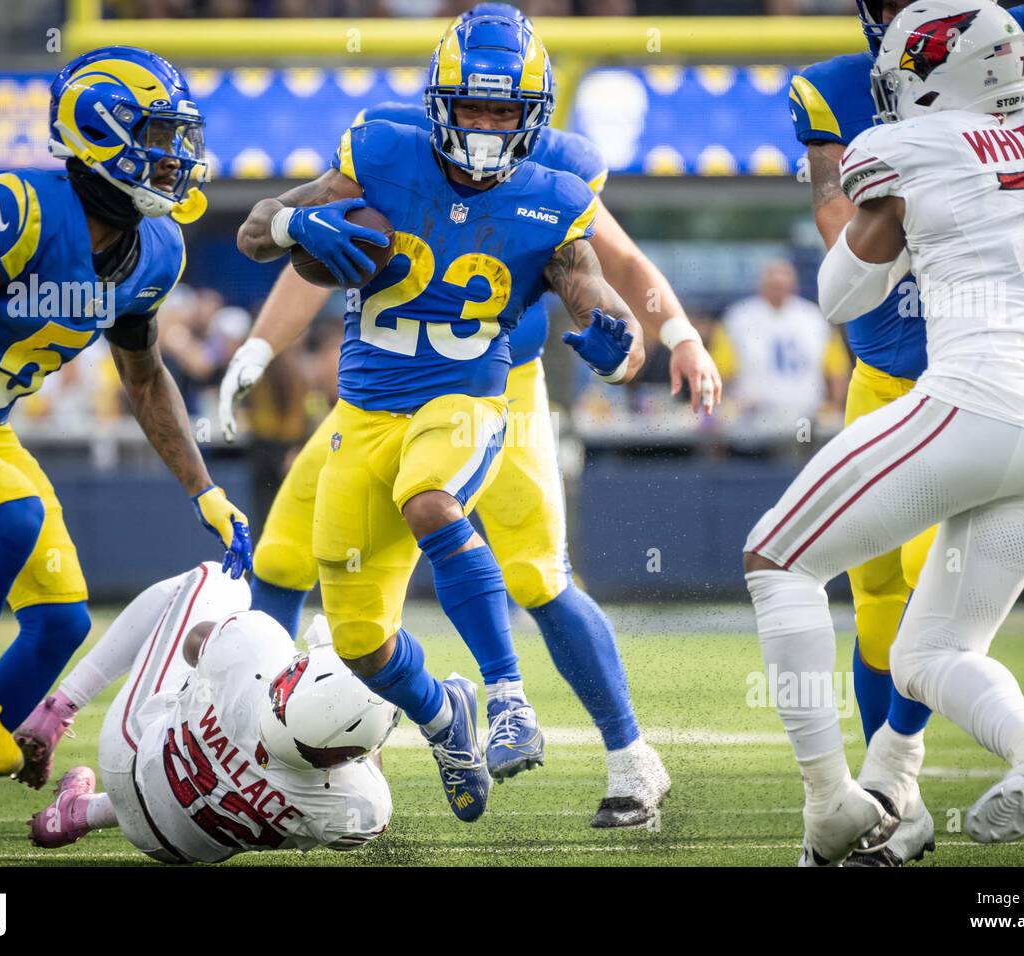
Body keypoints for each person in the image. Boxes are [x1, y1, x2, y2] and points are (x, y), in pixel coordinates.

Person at [217, 2, 691, 828]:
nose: (481, 125)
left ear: (531, 115)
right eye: (468, 105)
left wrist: (641, 339)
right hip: (373, 399)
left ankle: (613, 749)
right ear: (439, 100)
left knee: (536, 571)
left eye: (501, 111)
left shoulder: (558, 183)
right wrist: (264, 327)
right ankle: (316, 736)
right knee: (296, 552)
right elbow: (285, 237)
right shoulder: (383, 151)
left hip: (490, 388)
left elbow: (602, 274)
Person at [748, 0, 1024, 865]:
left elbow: (839, 296)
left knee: (776, 559)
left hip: (970, 404)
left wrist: (901, 209)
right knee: (931, 649)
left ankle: (829, 805)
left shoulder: (905, 143)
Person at [0, 45, 253, 867]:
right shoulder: (25, 209)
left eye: (180, 136)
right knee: (17, 514)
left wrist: (202, 490)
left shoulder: (156, 251)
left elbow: (146, 380)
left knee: (61, 620)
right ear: (102, 133)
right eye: (157, 134)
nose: (177, 154)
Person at [26, 564, 396, 862]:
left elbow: (194, 643)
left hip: (129, 758)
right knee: (282, 815)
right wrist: (370, 724)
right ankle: (80, 812)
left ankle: (60, 707)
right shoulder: (362, 805)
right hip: (180, 848)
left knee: (219, 578)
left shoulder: (255, 646)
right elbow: (358, 774)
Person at [711, 259, 849, 448]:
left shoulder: (814, 317)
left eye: (783, 283)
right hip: (754, 418)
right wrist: (723, 408)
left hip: (805, 416)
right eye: (772, 282)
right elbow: (720, 371)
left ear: (794, 285)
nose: (778, 287)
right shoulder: (738, 318)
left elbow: (837, 370)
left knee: (798, 464)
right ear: (761, 284)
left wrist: (834, 406)